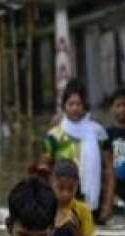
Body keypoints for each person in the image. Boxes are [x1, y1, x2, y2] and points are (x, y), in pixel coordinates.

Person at [41, 80, 115, 224]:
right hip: (61, 201)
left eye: (78, 104)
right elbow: (45, 171)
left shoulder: (98, 133)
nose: (75, 108)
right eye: (71, 104)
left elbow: (109, 171)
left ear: (85, 106)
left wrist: (107, 205)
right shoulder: (54, 136)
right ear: (64, 107)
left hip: (93, 202)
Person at [47, 160, 97, 236]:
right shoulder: (44, 208)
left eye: (71, 189)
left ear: (77, 185)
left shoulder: (82, 211)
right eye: (60, 188)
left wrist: (75, 230)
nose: (66, 194)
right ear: (51, 182)